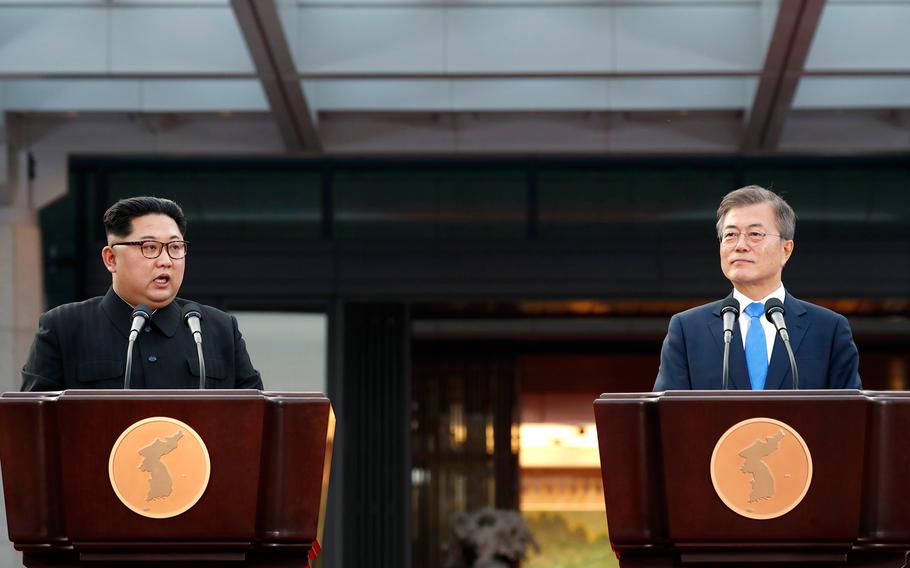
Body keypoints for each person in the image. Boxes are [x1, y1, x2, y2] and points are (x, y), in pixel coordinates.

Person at [21, 196, 263, 391]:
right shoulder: (64, 327)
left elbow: (258, 418)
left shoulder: (218, 329)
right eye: (150, 247)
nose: (166, 261)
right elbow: (29, 426)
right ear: (111, 259)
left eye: (175, 247)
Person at [654, 185, 860, 391]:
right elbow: (666, 416)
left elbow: (849, 415)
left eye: (754, 234)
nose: (740, 245)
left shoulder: (828, 329)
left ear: (786, 249)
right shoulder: (687, 330)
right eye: (730, 235)